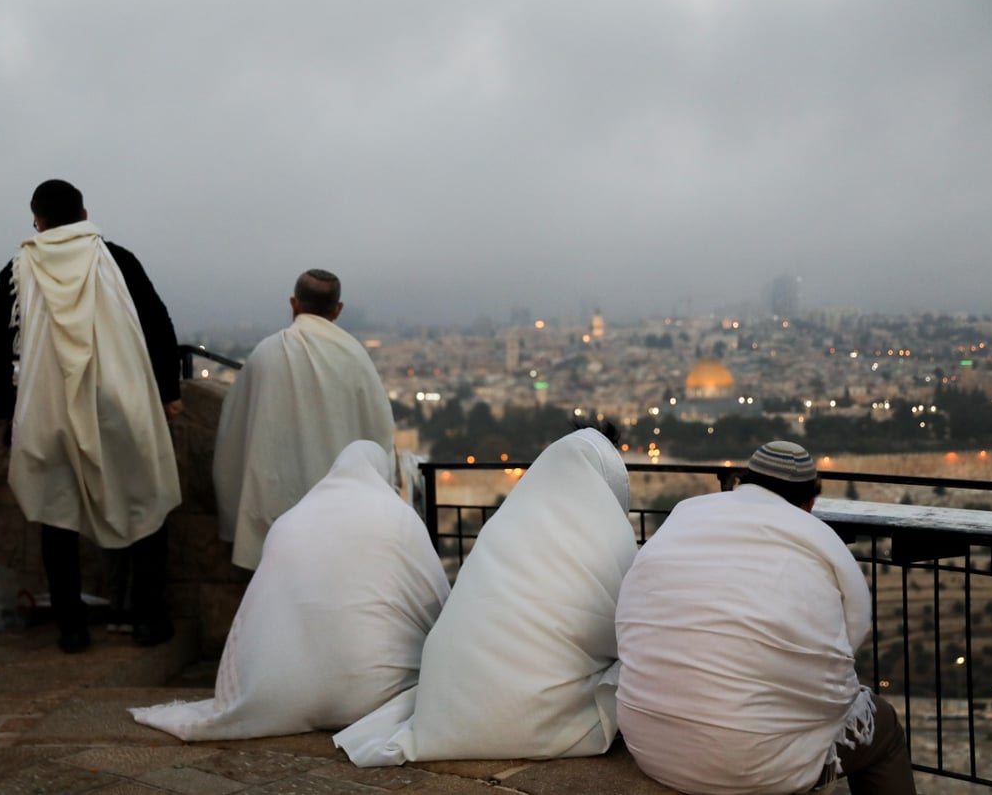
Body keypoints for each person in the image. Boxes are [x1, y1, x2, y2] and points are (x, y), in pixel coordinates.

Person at [615, 440, 917, 795]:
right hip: (752, 764)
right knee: (883, 729)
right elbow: (851, 637)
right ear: (809, 503)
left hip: (651, 745)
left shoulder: (686, 514)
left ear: (743, 483)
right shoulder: (816, 535)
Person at [335, 425, 637, 766]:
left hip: (451, 703)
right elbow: (625, 630)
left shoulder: (504, 525)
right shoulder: (607, 538)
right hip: (544, 715)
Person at [131, 440, 450, 740]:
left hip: (286, 695)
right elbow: (437, 602)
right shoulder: (398, 517)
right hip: (380, 698)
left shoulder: (290, 521)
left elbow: (257, 612)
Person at [0, 179, 183, 653]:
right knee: (147, 503)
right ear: (85, 212)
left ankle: (71, 627)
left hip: (49, 410)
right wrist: (170, 391)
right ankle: (148, 619)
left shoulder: (18, 269)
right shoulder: (116, 259)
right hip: (122, 403)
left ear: (38, 219)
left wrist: (7, 408)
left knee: (58, 514)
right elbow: (157, 324)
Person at [213, 269, 395, 571]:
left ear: (293, 304)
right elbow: (379, 434)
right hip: (339, 516)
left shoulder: (264, 355)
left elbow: (232, 435)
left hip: (272, 514)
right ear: (338, 310)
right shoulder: (355, 358)